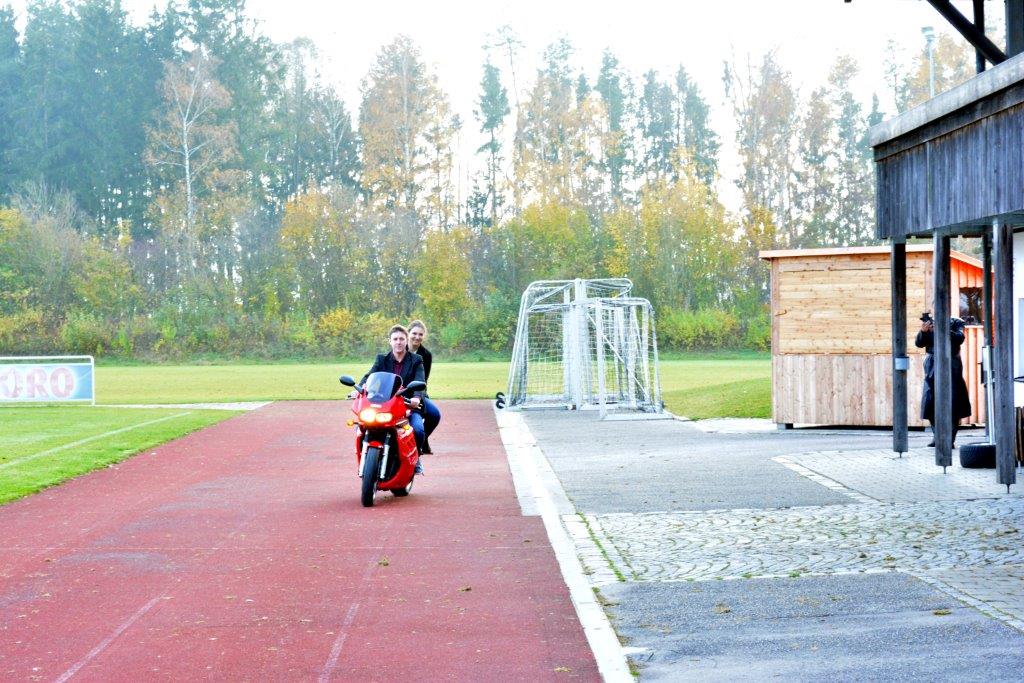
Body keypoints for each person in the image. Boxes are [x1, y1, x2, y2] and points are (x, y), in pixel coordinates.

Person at [360, 325, 427, 473]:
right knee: (364, 425)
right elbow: (369, 376)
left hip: (408, 405)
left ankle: (416, 458)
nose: (398, 342)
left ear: (406, 341)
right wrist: (359, 388)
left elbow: (420, 380)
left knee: (418, 429)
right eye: (395, 339)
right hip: (385, 404)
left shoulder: (416, 360)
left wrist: (416, 397)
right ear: (390, 341)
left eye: (402, 339)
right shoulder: (382, 359)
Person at [915, 313, 972, 448]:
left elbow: (960, 338)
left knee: (955, 402)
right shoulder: (930, 323)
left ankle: (950, 439)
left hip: (952, 363)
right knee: (930, 401)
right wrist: (923, 331)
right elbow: (919, 343)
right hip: (932, 364)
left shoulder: (956, 322)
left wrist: (942, 330)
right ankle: (937, 437)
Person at [408, 320, 441, 455]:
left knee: (434, 415)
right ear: (408, 333)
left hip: (418, 392)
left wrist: (418, 394)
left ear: (424, 336)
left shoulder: (426, 355)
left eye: (420, 334)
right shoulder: (399, 349)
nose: (417, 337)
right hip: (400, 392)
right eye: (414, 333)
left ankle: (422, 439)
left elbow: (423, 379)